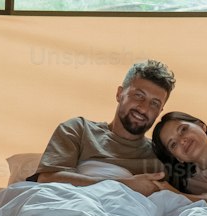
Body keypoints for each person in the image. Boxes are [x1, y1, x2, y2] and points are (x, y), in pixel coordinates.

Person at [35, 60, 176, 195]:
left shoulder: (161, 157)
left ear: (160, 111)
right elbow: (47, 179)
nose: (144, 109)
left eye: (155, 103)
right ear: (119, 94)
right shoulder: (80, 130)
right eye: (139, 95)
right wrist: (125, 185)